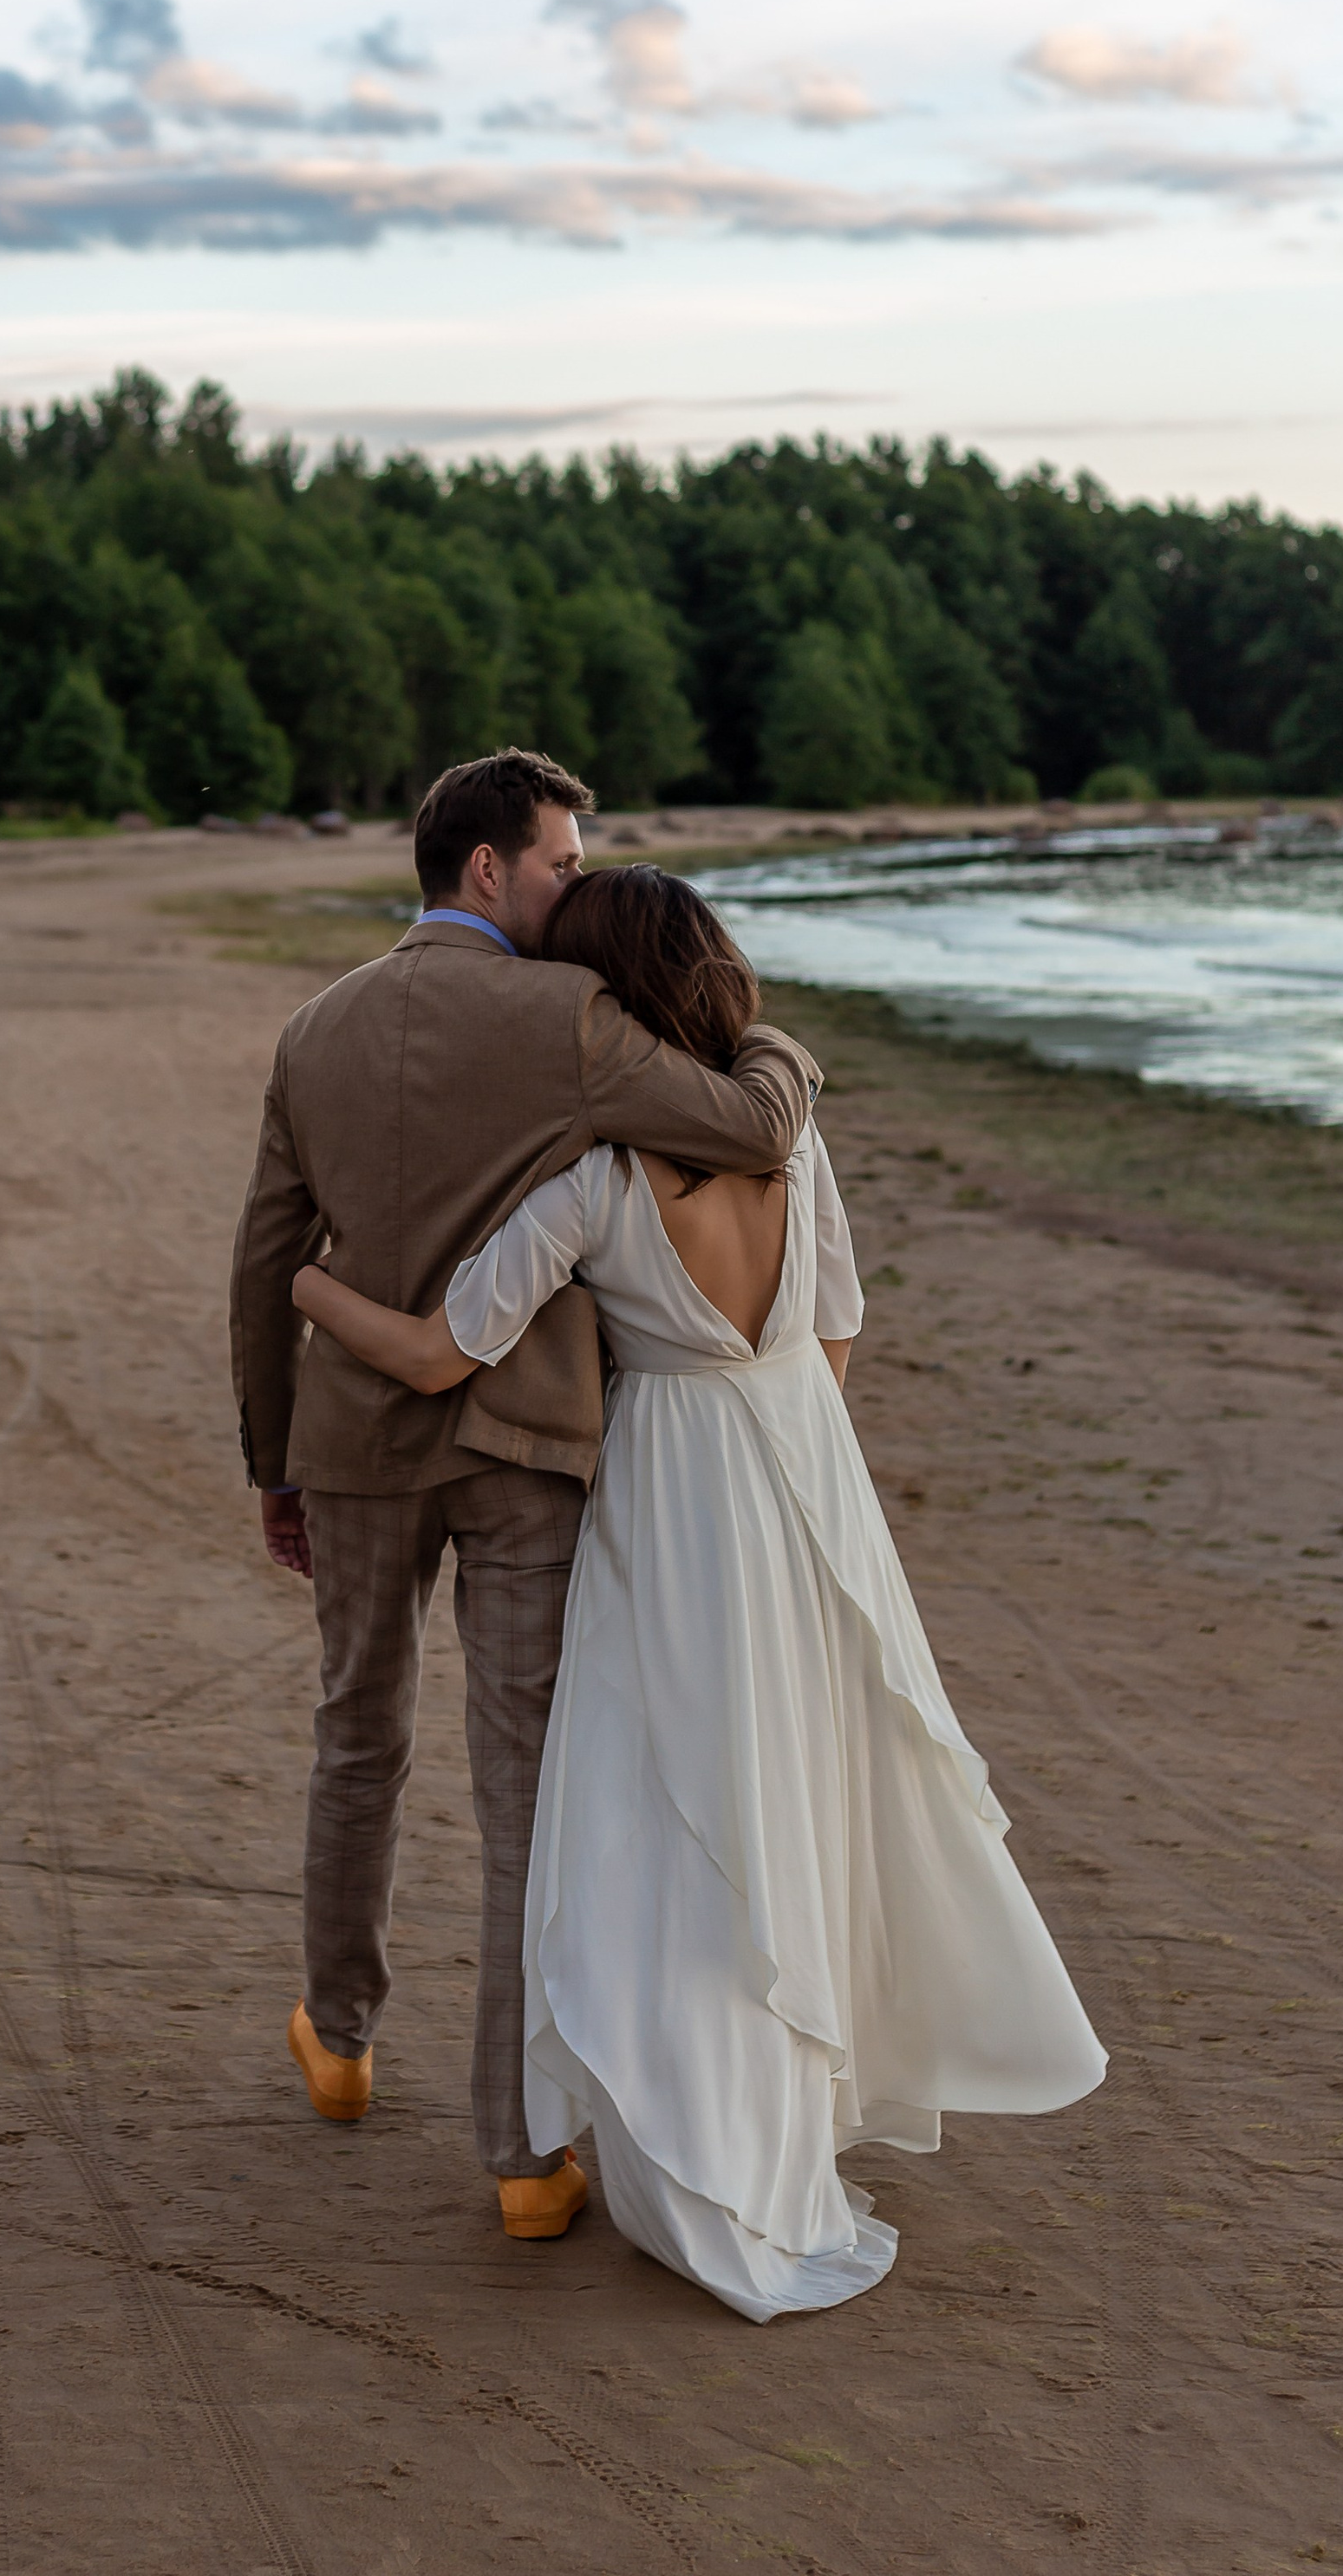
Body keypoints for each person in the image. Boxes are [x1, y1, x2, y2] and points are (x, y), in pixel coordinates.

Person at [293, 862, 1108, 2324]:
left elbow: (432, 1355)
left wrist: (311, 1292)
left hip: (668, 1499)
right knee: (799, 1801)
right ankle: (791, 2121)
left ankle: (681, 2133)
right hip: (808, 1480)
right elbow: (841, 1332)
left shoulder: (593, 1186)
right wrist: (787, 1446)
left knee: (667, 1822)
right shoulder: (802, 1153)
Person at [229, 751, 818, 2242]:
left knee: (356, 1735)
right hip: (523, 1446)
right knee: (524, 1790)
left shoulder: (315, 1029)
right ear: (487, 868)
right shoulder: (576, 1019)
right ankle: (519, 2151)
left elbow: (264, 1259)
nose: (574, 883)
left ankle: (342, 2045)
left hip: (354, 1440)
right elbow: (750, 1133)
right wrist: (791, 1055)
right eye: (561, 860)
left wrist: (271, 1456)